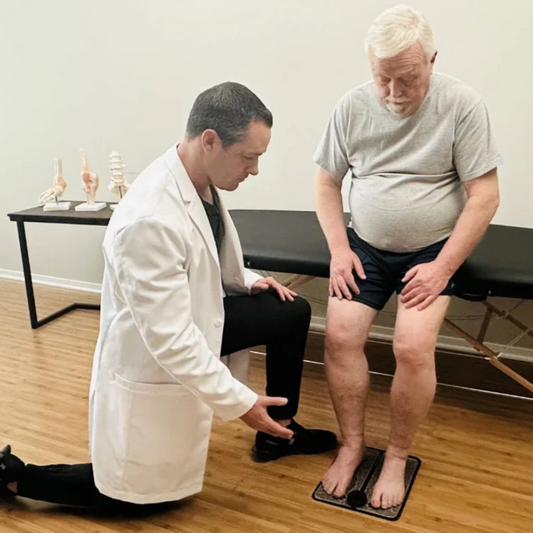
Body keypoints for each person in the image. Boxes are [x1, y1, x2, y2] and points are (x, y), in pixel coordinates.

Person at [0, 82, 336, 509]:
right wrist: (241, 403)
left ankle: (279, 433)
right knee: (132, 493)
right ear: (210, 141)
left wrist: (248, 280)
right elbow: (172, 340)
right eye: (249, 157)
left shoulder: (199, 179)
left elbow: (202, 253)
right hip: (156, 349)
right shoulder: (149, 219)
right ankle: (15, 477)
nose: (254, 170)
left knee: (290, 312)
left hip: (198, 316)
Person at [314, 5, 502, 509]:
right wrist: (339, 251)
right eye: (383, 80)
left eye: (408, 79)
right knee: (340, 336)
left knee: (413, 347)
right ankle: (352, 446)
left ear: (432, 61)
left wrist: (442, 268)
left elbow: (484, 196)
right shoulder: (351, 107)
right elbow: (327, 183)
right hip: (364, 247)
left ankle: (396, 456)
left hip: (435, 248)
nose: (394, 93)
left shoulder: (462, 105)